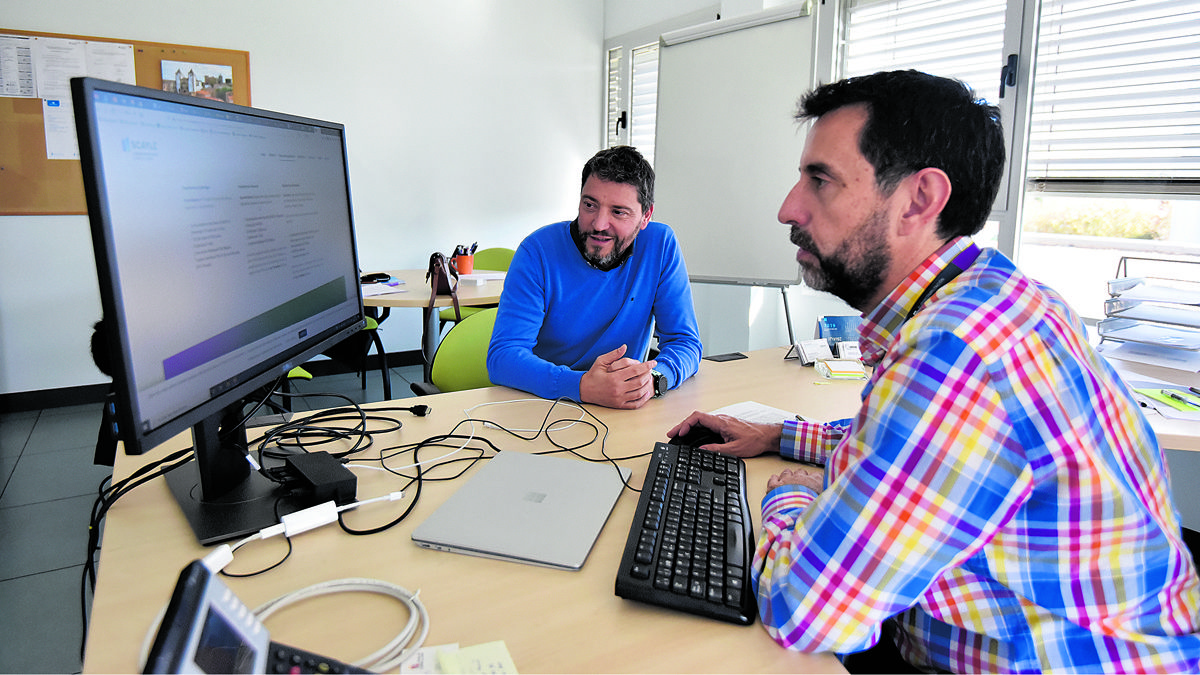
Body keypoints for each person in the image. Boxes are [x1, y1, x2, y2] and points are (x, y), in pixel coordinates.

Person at [669, 70, 1200, 673]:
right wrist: (781, 435)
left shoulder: (954, 351)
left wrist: (794, 490)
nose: (789, 207)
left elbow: (803, 608)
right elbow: (918, 447)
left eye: (820, 180)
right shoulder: (1000, 294)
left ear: (918, 200)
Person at [488, 146, 702, 409]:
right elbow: (503, 357)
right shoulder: (538, 251)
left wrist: (655, 380)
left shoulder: (660, 245)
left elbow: (685, 341)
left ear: (645, 216)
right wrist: (581, 386)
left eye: (618, 212)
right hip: (545, 405)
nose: (599, 224)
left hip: (623, 409)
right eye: (590, 205)